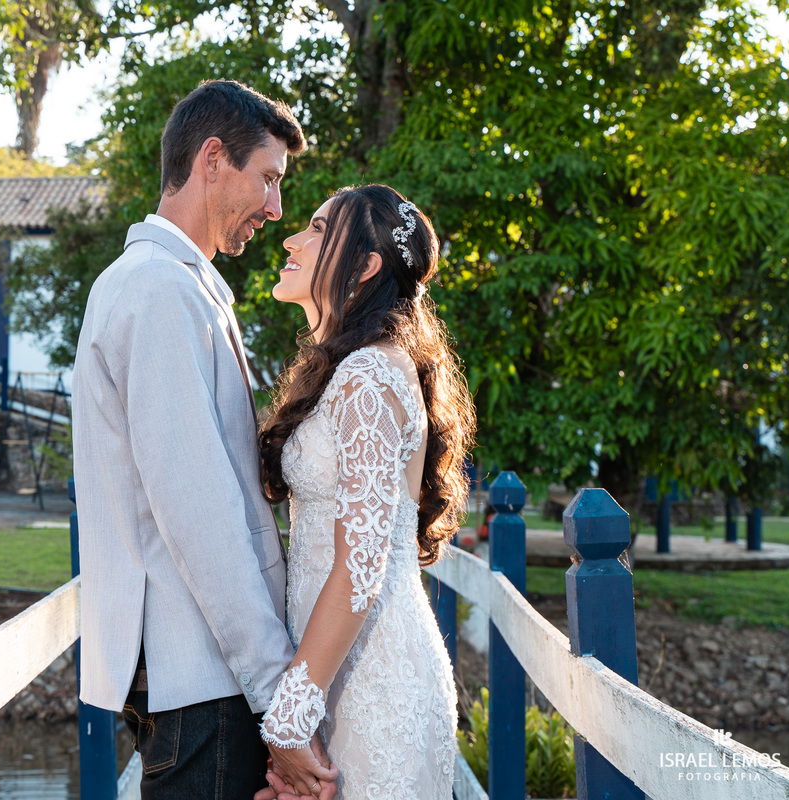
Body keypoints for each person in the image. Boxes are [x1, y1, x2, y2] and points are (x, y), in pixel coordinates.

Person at [72, 80, 337, 799]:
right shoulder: (158, 291)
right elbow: (200, 514)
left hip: (196, 669)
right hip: (202, 673)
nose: (277, 209)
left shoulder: (176, 286)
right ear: (213, 159)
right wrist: (275, 694)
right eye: (270, 180)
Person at [254, 184, 477, 798]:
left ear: (364, 266)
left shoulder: (370, 374)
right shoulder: (345, 369)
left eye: (318, 230)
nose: (292, 238)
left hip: (375, 683)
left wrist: (289, 720)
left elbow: (361, 565)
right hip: (328, 672)